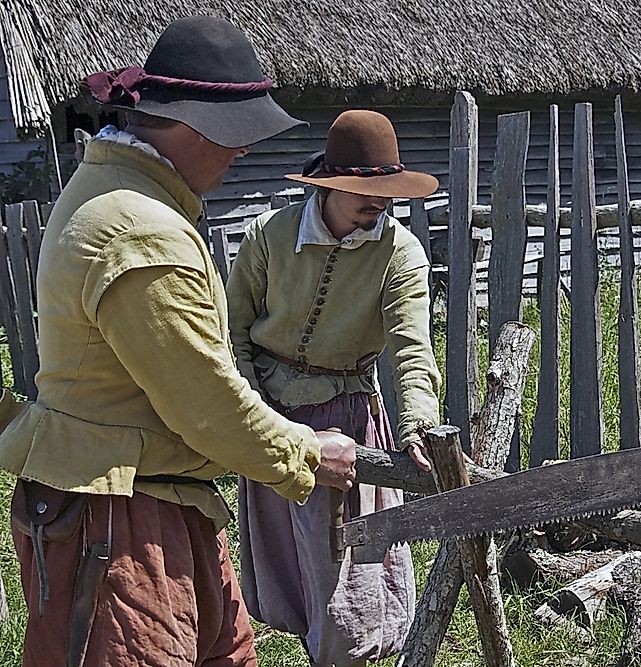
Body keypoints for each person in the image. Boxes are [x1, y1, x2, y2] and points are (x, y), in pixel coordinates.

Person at [0, 17, 358, 666]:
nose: (243, 151)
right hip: (122, 521)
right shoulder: (138, 229)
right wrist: (306, 452)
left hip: (149, 501)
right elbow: (205, 402)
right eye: (237, 136)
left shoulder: (116, 197)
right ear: (196, 129)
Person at [226, 109, 441, 666]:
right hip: (272, 415)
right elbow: (234, 332)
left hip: (345, 421)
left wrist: (418, 421)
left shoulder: (401, 252)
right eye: (364, 189)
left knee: (348, 579)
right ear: (329, 185)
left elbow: (412, 346)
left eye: (387, 191)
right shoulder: (269, 236)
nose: (379, 202)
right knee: (291, 569)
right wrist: (252, 414)